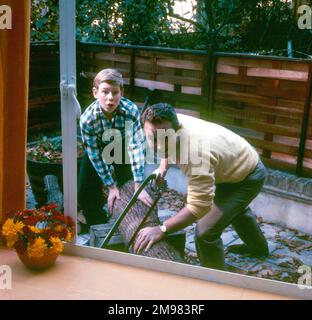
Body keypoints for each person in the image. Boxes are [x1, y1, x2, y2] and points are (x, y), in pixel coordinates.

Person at [134, 103, 269, 270]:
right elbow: (165, 146)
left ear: (177, 131)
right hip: (233, 162)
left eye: (165, 139)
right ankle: (259, 249)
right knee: (234, 209)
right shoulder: (170, 120)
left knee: (205, 233)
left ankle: (215, 283)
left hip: (248, 175)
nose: (160, 146)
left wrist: (162, 228)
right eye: (153, 138)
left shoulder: (195, 154)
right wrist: (163, 167)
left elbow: (199, 207)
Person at [78, 68, 153, 229]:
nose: (110, 98)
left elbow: (137, 147)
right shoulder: (87, 120)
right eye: (105, 92)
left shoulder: (131, 111)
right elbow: (95, 155)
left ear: (122, 93)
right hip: (98, 148)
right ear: (95, 92)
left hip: (122, 146)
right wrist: (110, 186)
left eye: (115, 92)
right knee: (84, 192)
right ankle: (97, 226)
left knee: (128, 186)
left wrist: (138, 183)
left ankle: (129, 223)